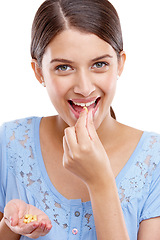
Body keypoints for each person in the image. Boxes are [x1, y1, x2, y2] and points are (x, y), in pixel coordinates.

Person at [0, 0, 160, 239]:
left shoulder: (154, 159)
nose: (85, 89)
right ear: (38, 71)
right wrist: (10, 227)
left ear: (120, 64)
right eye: (64, 67)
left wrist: (100, 182)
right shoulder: (8, 143)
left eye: (99, 64)